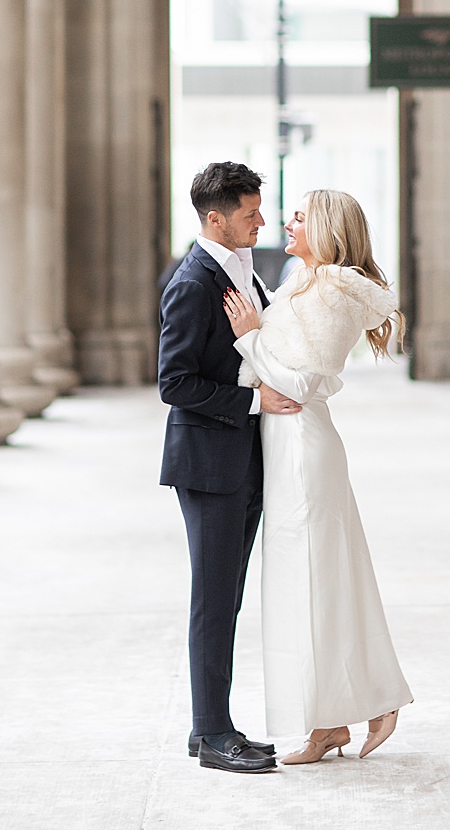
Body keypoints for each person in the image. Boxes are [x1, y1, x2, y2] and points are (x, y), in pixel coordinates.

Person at [222, 189, 413, 764]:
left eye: (301, 215)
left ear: (327, 228)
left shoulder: (333, 289)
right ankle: (334, 720)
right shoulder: (301, 281)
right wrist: (256, 355)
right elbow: (277, 378)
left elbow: (303, 384)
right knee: (309, 585)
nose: (288, 221)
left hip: (304, 451)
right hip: (283, 447)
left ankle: (359, 707)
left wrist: (252, 337)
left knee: (314, 584)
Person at [157, 161, 302, 774]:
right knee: (214, 602)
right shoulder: (192, 283)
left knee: (228, 598)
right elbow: (174, 382)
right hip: (210, 465)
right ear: (215, 219)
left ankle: (207, 726)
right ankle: (214, 734)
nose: (262, 221)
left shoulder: (243, 272)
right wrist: (252, 401)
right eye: (250, 214)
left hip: (240, 461)